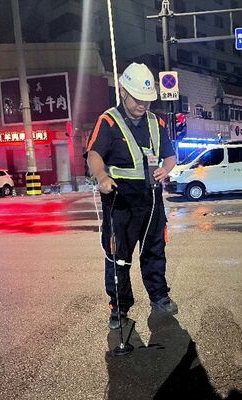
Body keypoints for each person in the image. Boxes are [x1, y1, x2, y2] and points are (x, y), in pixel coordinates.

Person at [86, 62, 178, 329]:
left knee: (155, 252)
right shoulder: (108, 121)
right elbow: (94, 155)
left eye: (147, 100)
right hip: (120, 201)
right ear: (123, 91)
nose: (142, 105)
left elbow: (170, 155)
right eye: (138, 99)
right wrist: (102, 177)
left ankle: (159, 297)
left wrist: (166, 169)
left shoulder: (156, 122)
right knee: (118, 257)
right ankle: (119, 307)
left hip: (151, 200)